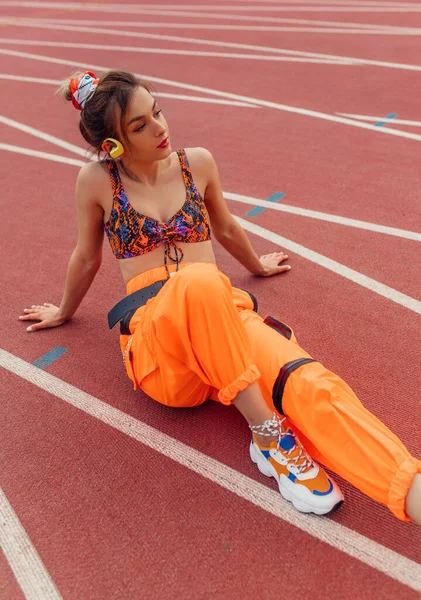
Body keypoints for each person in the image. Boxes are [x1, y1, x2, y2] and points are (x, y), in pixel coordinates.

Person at [19, 70, 421, 523]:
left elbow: (226, 226)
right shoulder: (96, 181)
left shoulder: (197, 163)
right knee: (200, 280)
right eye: (140, 126)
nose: (160, 128)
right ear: (112, 145)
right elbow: (85, 257)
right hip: (160, 349)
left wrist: (257, 267)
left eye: (157, 112)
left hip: (224, 322)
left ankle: (409, 488)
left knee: (312, 383)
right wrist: (64, 310)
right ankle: (268, 435)